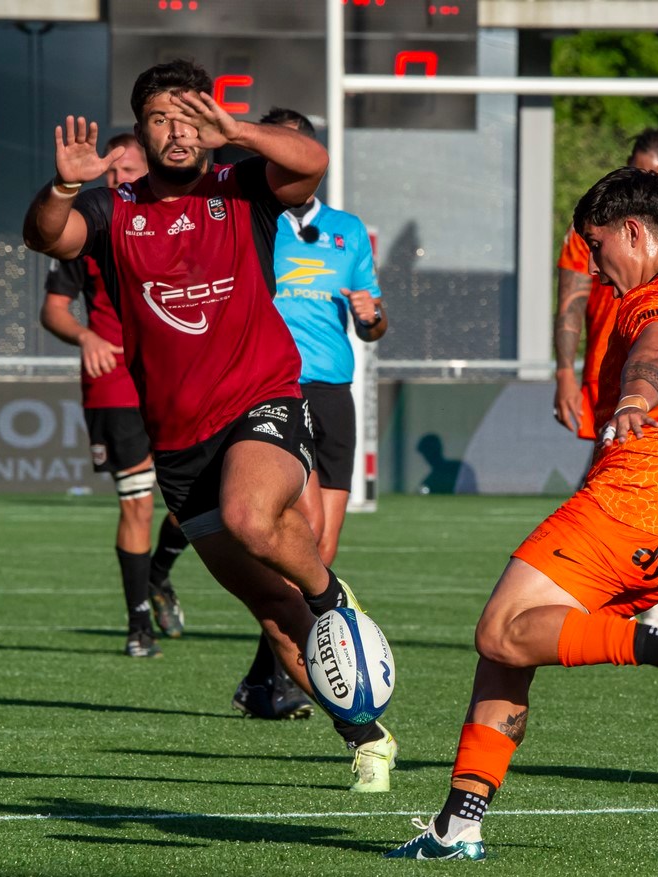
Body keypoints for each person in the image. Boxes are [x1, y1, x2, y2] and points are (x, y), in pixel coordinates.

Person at [22, 58, 398, 792]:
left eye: (189, 116)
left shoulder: (241, 186)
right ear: (141, 129)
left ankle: (333, 599)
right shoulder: (112, 210)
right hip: (179, 441)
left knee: (250, 515)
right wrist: (64, 183)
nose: (176, 131)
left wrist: (240, 131)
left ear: (207, 122)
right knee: (268, 604)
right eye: (161, 118)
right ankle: (365, 734)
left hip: (262, 398)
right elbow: (46, 237)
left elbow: (312, 162)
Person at [387, 166, 658, 861]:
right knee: (513, 651)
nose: (594, 266)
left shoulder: (656, 298)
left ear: (633, 230)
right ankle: (458, 824)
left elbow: (655, 352)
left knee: (499, 630)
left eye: (598, 248)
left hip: (627, 503)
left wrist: (632, 398)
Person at [231, 106, 389, 722]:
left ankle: (264, 679)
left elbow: (372, 327)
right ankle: (284, 678)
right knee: (285, 542)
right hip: (272, 390)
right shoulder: (247, 220)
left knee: (320, 547)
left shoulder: (349, 231)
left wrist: (372, 317)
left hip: (331, 394)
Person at [552, 127, 658, 628]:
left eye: (657, 174)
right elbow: (571, 301)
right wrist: (564, 371)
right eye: (640, 168)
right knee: (612, 470)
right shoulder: (596, 220)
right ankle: (633, 596)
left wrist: (644, 391)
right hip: (611, 369)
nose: (602, 266)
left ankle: (637, 589)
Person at [40, 133, 188, 658]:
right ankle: (138, 625)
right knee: (137, 505)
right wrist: (86, 336)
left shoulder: (180, 221)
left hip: (177, 379)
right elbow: (54, 309)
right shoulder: (87, 228)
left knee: (205, 501)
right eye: (111, 171)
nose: (118, 179)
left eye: (127, 170)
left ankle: (157, 572)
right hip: (115, 386)